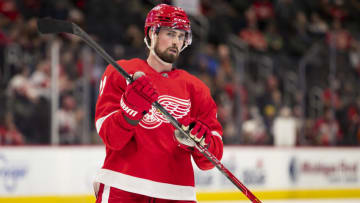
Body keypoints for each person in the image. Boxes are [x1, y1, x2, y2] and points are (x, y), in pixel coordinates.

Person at [93, 4, 223, 203]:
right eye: (170, 34)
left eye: (181, 37)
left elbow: (209, 161)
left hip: (177, 194)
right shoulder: (121, 72)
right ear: (152, 33)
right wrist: (130, 110)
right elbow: (111, 138)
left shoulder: (196, 88)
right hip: (123, 187)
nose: (176, 42)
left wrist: (202, 142)